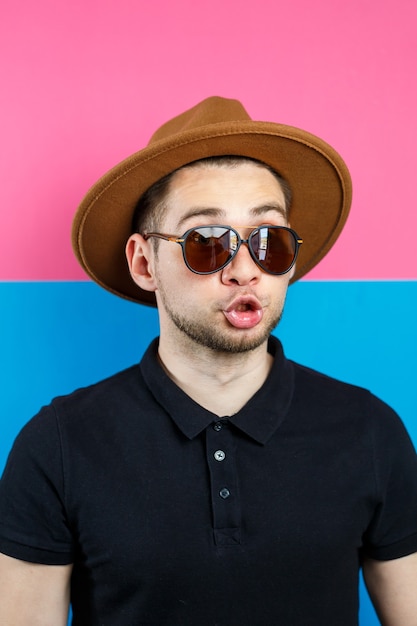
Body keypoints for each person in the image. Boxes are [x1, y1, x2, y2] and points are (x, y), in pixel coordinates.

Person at [0, 96, 416, 626]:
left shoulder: (369, 431)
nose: (245, 270)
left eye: (269, 241)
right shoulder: (57, 444)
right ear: (144, 262)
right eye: (207, 242)